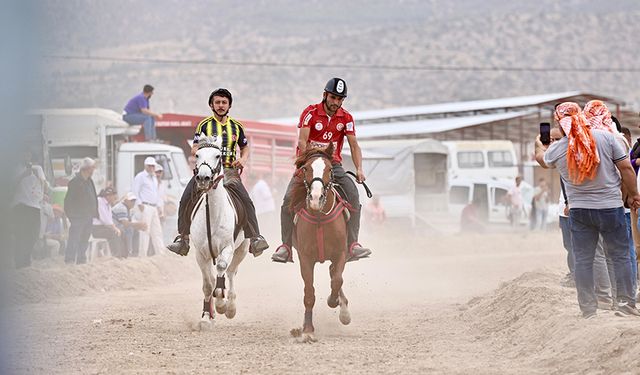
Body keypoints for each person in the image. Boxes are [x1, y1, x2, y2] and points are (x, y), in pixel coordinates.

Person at [535, 102, 640, 318]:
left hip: (579, 211)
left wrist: (539, 146)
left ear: (560, 122)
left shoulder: (559, 147)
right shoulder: (606, 138)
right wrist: (634, 195)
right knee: (620, 255)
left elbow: (543, 162)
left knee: (584, 259)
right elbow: (626, 168)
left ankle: (588, 308)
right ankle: (625, 304)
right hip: (610, 207)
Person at [272, 78, 372, 263]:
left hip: (333, 165)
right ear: (325, 95)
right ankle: (286, 247)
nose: (335, 102)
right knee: (287, 200)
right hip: (309, 163)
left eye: (340, 99)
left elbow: (354, 145)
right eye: (333, 97)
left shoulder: (347, 118)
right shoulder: (309, 113)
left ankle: (353, 244)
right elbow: (302, 141)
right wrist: (310, 159)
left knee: (354, 196)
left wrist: (359, 168)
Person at [166, 88, 269, 257]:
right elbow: (194, 148)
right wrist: (203, 152)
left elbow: (245, 147)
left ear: (229, 105)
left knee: (246, 200)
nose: (221, 106)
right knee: (185, 199)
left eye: (224, 102)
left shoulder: (236, 126)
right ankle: (182, 238)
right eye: (217, 102)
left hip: (229, 171)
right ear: (211, 105)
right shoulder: (204, 125)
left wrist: (242, 160)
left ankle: (255, 238)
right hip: (206, 170)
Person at [11, 151, 46, 268]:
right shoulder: (15, 168)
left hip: (35, 206)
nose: (27, 157)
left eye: (29, 155)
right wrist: (23, 175)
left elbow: (42, 184)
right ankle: (20, 263)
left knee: (34, 234)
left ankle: (26, 259)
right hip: (20, 206)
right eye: (25, 154)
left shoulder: (37, 169)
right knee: (21, 235)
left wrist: (38, 179)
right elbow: (10, 185)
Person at [64, 157, 98, 265]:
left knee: (85, 239)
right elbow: (68, 200)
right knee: (74, 238)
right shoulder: (74, 182)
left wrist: (94, 211)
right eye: (93, 167)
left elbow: (93, 196)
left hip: (88, 215)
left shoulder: (89, 181)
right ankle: (69, 259)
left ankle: (81, 259)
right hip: (77, 216)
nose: (94, 170)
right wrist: (71, 216)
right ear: (87, 168)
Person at [132, 157, 165, 257]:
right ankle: (142, 255)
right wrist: (139, 203)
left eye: (153, 166)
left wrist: (159, 207)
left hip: (153, 207)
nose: (151, 168)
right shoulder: (140, 176)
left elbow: (156, 193)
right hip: (145, 206)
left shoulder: (154, 177)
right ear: (145, 166)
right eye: (150, 166)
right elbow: (134, 190)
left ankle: (161, 254)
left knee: (157, 231)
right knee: (145, 231)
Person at [112, 192, 147, 257]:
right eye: (131, 201)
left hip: (119, 226)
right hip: (114, 226)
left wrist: (139, 226)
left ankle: (134, 252)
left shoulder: (128, 208)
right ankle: (129, 251)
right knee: (129, 229)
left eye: (134, 201)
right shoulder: (121, 208)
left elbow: (129, 223)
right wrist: (139, 224)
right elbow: (125, 223)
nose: (133, 202)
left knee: (136, 231)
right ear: (125, 201)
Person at [91, 187, 124, 258]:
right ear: (108, 196)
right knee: (114, 233)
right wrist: (115, 228)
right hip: (96, 229)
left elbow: (109, 219)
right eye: (114, 197)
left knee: (122, 232)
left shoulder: (108, 204)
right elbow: (105, 219)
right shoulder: (99, 201)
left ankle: (123, 255)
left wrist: (115, 228)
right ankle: (116, 256)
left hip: (103, 227)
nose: (115, 199)